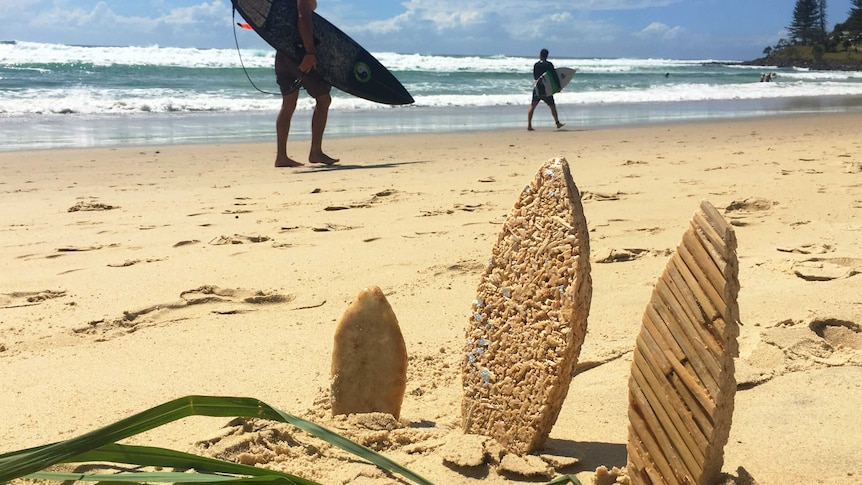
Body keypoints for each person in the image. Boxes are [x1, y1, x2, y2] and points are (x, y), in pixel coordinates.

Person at [274, 0, 338, 167]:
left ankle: (281, 156)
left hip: (283, 53)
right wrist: (309, 52)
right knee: (324, 99)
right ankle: (315, 151)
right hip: (298, 53)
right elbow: (303, 18)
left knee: (288, 104)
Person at [527, 48, 564, 131]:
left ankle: (529, 125)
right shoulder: (549, 64)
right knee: (552, 107)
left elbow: (535, 77)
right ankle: (557, 123)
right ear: (547, 55)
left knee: (532, 106)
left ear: (540, 55)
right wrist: (558, 87)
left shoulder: (536, 65)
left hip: (537, 88)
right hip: (547, 89)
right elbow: (554, 76)